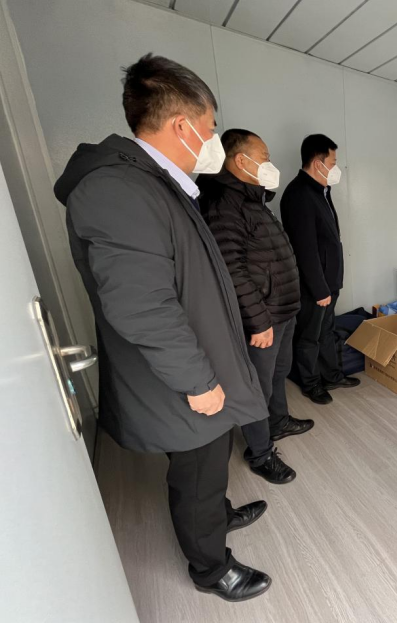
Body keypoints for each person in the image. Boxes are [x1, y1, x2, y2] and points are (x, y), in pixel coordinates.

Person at [54, 54, 272, 602]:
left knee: (207, 465)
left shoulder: (156, 184)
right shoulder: (119, 189)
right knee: (197, 469)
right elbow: (141, 305)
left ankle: (217, 515)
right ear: (183, 126)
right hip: (181, 376)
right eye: (211, 128)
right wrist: (197, 380)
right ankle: (211, 568)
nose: (213, 139)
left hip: (192, 361)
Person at [197, 129, 315, 485]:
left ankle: (277, 422)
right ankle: (261, 453)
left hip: (281, 311)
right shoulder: (224, 204)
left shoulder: (251, 199)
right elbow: (231, 269)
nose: (269, 164)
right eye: (264, 158)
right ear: (240, 160)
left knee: (278, 373)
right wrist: (258, 320)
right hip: (263, 319)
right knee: (256, 388)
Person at [280, 134, 360, 405]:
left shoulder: (321, 190)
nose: (336, 168)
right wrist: (319, 289)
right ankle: (311, 384)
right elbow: (305, 249)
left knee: (326, 331)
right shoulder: (299, 194)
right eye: (333, 162)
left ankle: (332, 376)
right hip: (315, 286)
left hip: (329, 281)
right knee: (309, 336)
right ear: (318, 163)